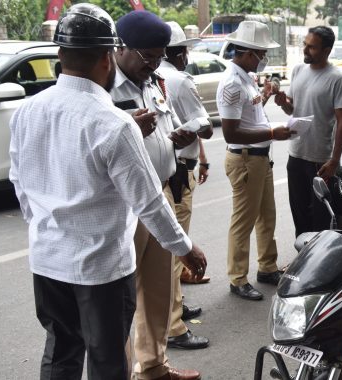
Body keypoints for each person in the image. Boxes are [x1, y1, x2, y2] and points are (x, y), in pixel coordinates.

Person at [8, 4, 207, 380]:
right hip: (100, 269)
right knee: (107, 361)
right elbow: (148, 200)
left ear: (60, 55)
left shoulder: (28, 110)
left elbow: (21, 184)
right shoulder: (114, 123)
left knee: (61, 352)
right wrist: (185, 248)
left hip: (48, 261)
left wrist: (47, 229)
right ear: (107, 57)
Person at [111, 10, 206, 380]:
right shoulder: (105, 86)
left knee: (158, 289)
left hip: (161, 191)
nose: (153, 64)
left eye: (158, 56)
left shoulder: (155, 81)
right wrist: (129, 126)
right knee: (121, 297)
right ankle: (119, 370)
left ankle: (153, 365)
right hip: (127, 203)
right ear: (121, 48)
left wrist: (177, 138)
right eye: (147, 56)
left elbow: (161, 131)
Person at [216, 21, 295, 301]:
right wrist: (273, 131)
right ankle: (238, 279)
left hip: (259, 159)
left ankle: (267, 267)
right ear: (248, 53)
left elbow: (249, 112)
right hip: (246, 160)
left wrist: (265, 95)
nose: (263, 59)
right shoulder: (232, 83)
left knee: (267, 217)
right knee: (244, 221)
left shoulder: (245, 78)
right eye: (261, 54)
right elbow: (231, 131)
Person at [156, 21, 213, 350]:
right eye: (185, 51)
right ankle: (174, 323)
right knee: (176, 245)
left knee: (174, 244)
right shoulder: (177, 79)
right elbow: (202, 126)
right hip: (177, 170)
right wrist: (201, 138)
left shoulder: (155, 79)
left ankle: (176, 307)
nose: (188, 56)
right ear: (176, 53)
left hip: (175, 165)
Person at [274, 26, 342, 237]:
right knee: (299, 215)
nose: (305, 50)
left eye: (312, 47)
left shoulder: (337, 78)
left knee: (320, 219)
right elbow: (293, 109)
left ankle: (320, 264)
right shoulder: (298, 70)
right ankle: (303, 261)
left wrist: (334, 161)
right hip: (296, 155)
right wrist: (283, 103)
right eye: (305, 45)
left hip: (321, 162)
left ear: (327, 50)